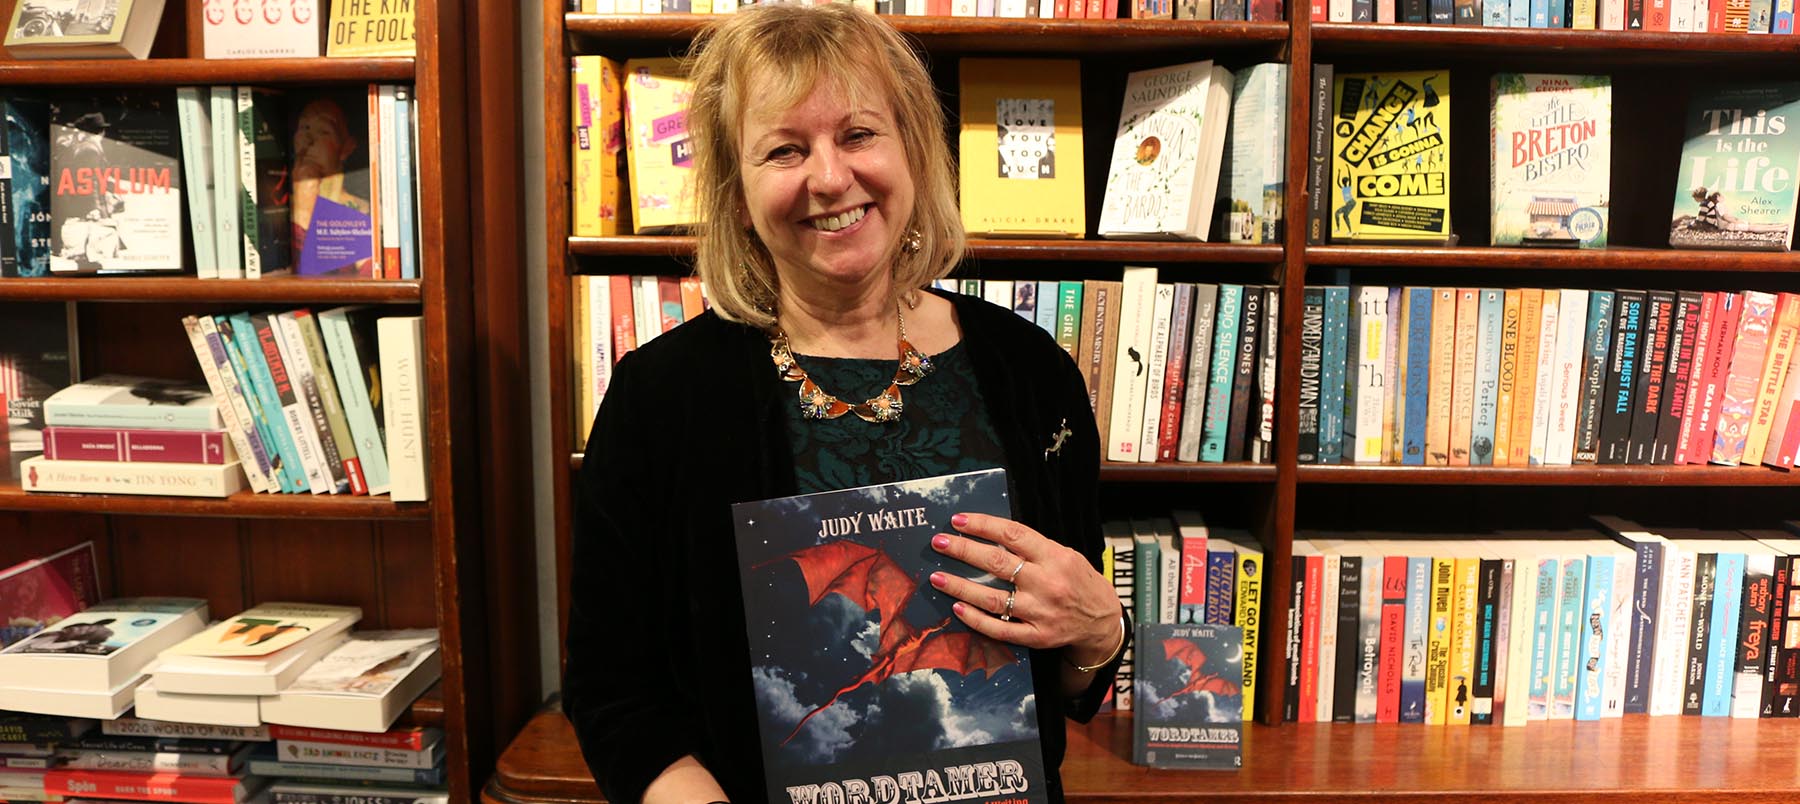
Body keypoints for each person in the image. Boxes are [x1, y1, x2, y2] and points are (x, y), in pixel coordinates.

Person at [562, 5, 1126, 803]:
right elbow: (615, 693)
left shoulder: (1031, 371)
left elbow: (1069, 674)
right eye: (785, 149)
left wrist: (1101, 635)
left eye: (859, 134)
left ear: (913, 150)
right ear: (736, 187)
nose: (829, 178)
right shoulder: (662, 397)